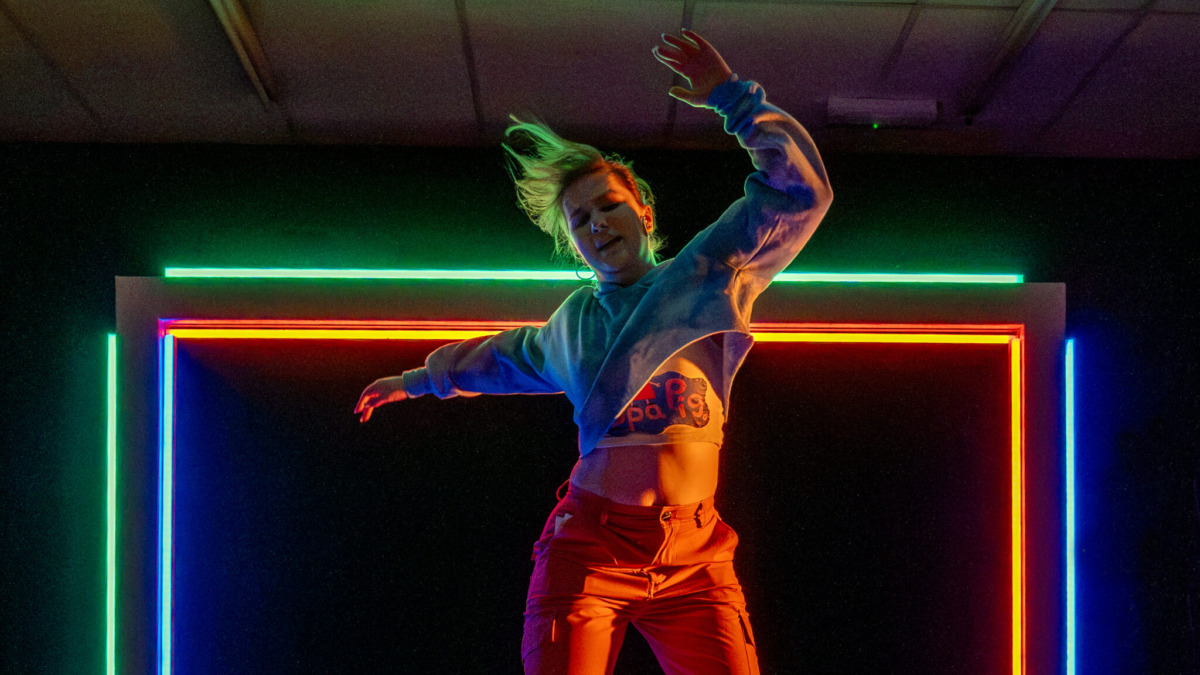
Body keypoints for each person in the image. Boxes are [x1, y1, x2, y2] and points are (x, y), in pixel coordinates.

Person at [355, 29, 831, 675]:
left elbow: (799, 194)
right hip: (591, 550)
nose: (598, 223)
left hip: (697, 559)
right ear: (572, 244)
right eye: (580, 221)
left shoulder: (708, 275)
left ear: (644, 212)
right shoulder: (571, 325)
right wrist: (417, 379)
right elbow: (503, 357)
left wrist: (733, 99)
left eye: (609, 206)